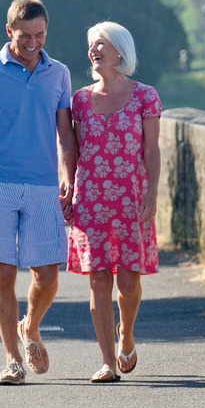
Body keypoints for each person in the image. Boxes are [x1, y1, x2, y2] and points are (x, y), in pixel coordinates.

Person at [0, 0, 77, 386]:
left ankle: (31, 328)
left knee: (47, 275)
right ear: (9, 32)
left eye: (40, 34)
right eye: (25, 35)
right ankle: (11, 360)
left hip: (42, 186)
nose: (33, 42)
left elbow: (66, 136)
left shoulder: (58, 74)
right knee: (3, 272)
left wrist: (70, 178)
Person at [66, 21, 162, 383]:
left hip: (131, 199)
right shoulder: (80, 100)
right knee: (99, 280)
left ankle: (127, 333)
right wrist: (68, 190)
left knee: (129, 283)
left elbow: (151, 151)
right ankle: (107, 361)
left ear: (120, 50)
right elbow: (74, 151)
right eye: (91, 43)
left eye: (101, 43)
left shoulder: (145, 96)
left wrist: (151, 194)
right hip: (90, 199)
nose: (93, 49)